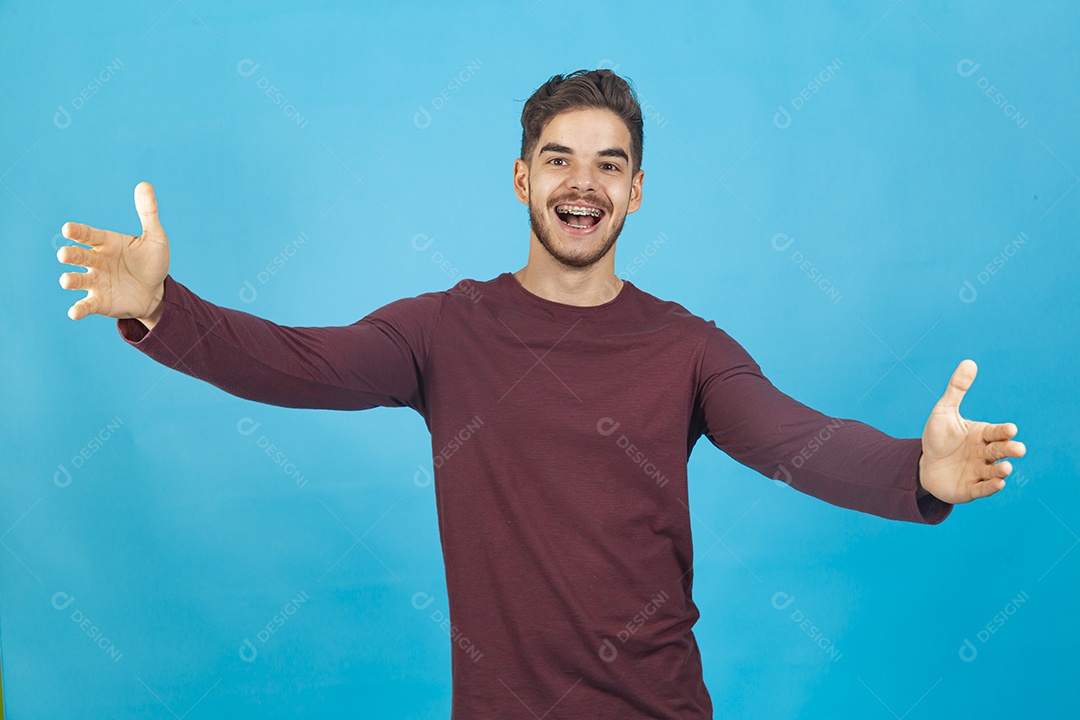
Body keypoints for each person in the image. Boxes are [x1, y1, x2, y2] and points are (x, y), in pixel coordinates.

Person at [57, 69, 1025, 719]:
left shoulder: (687, 347)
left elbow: (792, 439)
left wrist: (918, 470)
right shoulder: (444, 329)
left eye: (610, 164)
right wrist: (164, 309)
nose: (583, 182)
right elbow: (302, 365)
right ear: (523, 178)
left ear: (637, 192)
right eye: (560, 158)